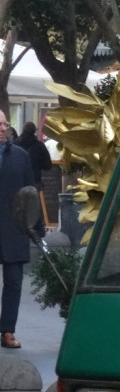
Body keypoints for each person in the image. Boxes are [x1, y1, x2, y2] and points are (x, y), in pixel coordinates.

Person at [0, 112, 37, 349]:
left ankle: (7, 331)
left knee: (13, 282)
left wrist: (35, 226)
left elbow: (30, 192)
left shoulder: (21, 156)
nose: (3, 128)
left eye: (5, 124)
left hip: (13, 229)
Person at [15, 122, 52, 189]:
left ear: (23, 130)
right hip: (35, 182)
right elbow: (47, 165)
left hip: (18, 181)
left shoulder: (15, 144)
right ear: (34, 131)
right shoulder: (40, 146)